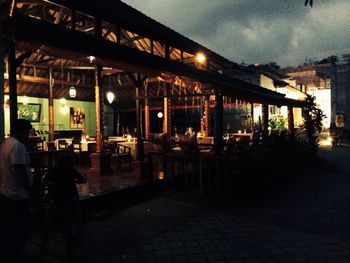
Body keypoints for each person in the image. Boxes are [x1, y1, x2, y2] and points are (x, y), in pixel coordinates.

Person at [0, 119, 33, 262]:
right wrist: (30, 190)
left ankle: (10, 253)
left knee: (9, 226)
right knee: (20, 227)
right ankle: (17, 254)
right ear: (22, 131)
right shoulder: (18, 146)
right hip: (17, 194)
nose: (29, 135)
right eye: (28, 132)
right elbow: (20, 170)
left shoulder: (5, 143)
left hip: (6, 191)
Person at [47, 154, 86, 239]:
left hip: (58, 197)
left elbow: (45, 180)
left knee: (52, 210)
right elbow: (82, 179)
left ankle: (53, 230)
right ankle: (79, 228)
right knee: (76, 211)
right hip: (71, 196)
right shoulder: (71, 170)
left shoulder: (54, 170)